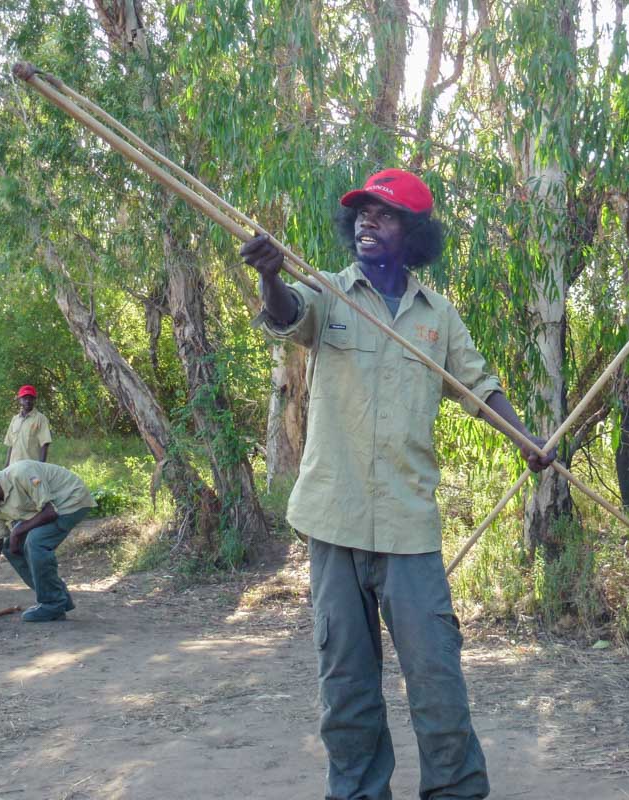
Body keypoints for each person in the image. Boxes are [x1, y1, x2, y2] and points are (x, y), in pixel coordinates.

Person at [240, 168, 554, 800]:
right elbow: (288, 317)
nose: (367, 221)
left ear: (412, 234)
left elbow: (478, 385)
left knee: (437, 679)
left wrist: (527, 441)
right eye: (362, 212)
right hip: (334, 521)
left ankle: (456, 790)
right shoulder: (326, 290)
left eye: (383, 215)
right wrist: (270, 276)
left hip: (410, 529)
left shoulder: (439, 316)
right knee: (346, 687)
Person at [0, 460, 95, 622]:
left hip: (71, 501)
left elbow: (50, 512)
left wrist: (17, 532)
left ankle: (52, 604)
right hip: (48, 511)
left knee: (35, 542)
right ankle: (57, 598)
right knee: (9, 548)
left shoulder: (22, 473)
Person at [4, 384, 53, 467]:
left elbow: (45, 444)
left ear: (34, 400)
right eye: (25, 398)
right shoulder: (15, 419)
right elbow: (10, 445)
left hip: (31, 467)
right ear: (20, 400)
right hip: (13, 467)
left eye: (30, 398)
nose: (27, 401)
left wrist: (41, 467)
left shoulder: (41, 419)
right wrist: (6, 467)